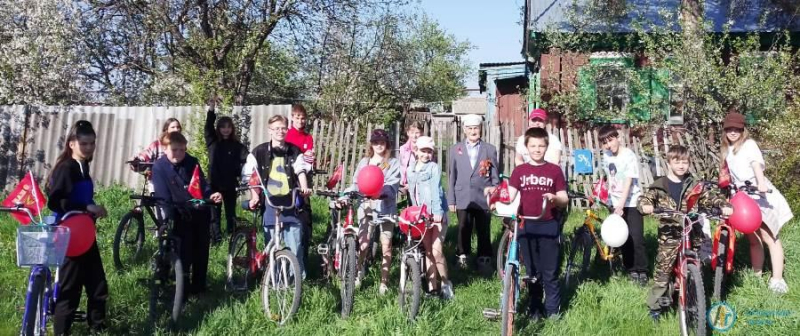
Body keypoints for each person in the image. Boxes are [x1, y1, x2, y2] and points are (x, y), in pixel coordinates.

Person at [638, 145, 733, 320]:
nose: (681, 165)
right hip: (670, 233)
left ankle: (695, 299)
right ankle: (656, 307)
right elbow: (646, 198)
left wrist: (723, 204)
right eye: (677, 161)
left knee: (696, 267)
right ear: (669, 162)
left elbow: (710, 196)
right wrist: (646, 205)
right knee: (663, 271)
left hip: (691, 231)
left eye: (685, 162)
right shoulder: (660, 185)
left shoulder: (694, 185)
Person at [490, 127, 568, 320]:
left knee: (549, 271)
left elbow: (564, 198)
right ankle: (534, 308)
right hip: (526, 226)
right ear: (526, 147)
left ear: (546, 147)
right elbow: (511, 196)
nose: (537, 149)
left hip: (548, 225)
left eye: (541, 146)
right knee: (532, 271)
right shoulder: (520, 171)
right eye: (533, 146)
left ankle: (552, 311)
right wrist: (494, 194)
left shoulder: (554, 171)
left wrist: (554, 199)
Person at [46, 120, 109, 335]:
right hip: (68, 237)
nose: (89, 147)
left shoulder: (83, 166)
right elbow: (55, 201)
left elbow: (80, 197)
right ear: (72, 143)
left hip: (84, 234)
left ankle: (97, 329)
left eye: (92, 143)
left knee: (98, 285)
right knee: (69, 291)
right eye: (84, 143)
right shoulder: (66, 168)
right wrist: (86, 206)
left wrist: (91, 211)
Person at [721, 111, 794, 294]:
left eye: (737, 129)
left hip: (758, 196)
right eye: (729, 128)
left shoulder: (749, 145)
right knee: (753, 239)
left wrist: (760, 183)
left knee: (770, 237)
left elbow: (756, 165)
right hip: (742, 198)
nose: (733, 132)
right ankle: (756, 276)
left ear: (742, 129)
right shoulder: (727, 150)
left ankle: (777, 280)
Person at [152, 132, 222, 297]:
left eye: (182, 150)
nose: (178, 154)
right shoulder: (159, 167)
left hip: (198, 212)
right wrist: (167, 219)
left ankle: (199, 288)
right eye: (174, 150)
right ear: (165, 148)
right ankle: (180, 292)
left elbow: (202, 184)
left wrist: (211, 194)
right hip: (177, 214)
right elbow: (163, 197)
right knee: (183, 254)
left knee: (201, 251)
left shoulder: (192, 162)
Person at [241, 115, 312, 277]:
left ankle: (295, 283)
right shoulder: (259, 151)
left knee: (295, 246)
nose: (280, 131)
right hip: (270, 205)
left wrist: (304, 187)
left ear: (287, 130)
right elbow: (250, 175)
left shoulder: (294, 151)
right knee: (273, 245)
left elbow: (300, 170)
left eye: (283, 128)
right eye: (276, 128)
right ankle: (276, 280)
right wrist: (254, 195)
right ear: (270, 131)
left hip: (290, 204)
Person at [338, 129, 401, 294]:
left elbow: (392, 185)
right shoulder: (364, 162)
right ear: (371, 144)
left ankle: (384, 283)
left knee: (386, 244)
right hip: (366, 207)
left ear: (387, 144)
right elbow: (356, 183)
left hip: (386, 208)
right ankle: (358, 272)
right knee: (364, 244)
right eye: (375, 142)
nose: (379, 145)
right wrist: (345, 195)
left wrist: (382, 193)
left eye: (382, 142)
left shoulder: (393, 163)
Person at [447, 114, 499, 273]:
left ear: (480, 129)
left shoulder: (489, 149)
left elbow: (496, 174)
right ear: (464, 130)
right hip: (462, 195)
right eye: (469, 128)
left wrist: (495, 195)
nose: (473, 131)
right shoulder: (455, 149)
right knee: (464, 227)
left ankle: (484, 258)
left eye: (475, 128)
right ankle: (463, 255)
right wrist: (451, 200)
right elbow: (451, 176)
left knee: (484, 228)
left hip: (483, 196)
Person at [598, 124, 647, 286]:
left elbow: (628, 181)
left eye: (610, 140)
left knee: (636, 237)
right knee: (622, 238)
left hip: (631, 202)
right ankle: (631, 269)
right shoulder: (606, 156)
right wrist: (604, 191)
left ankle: (642, 270)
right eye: (604, 142)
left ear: (618, 138)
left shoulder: (628, 155)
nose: (608, 145)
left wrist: (621, 204)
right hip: (615, 202)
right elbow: (610, 177)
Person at [407, 136, 453, 299]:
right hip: (421, 215)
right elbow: (412, 194)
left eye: (429, 152)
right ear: (416, 151)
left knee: (436, 250)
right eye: (423, 151)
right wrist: (414, 213)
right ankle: (433, 288)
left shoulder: (433, 167)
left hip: (437, 213)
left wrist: (438, 212)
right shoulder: (411, 169)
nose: (426, 155)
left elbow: (436, 189)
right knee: (427, 251)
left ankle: (446, 284)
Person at [204, 98, 248, 244]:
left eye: (228, 127)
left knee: (230, 214)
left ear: (232, 129)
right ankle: (215, 240)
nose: (226, 129)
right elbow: (208, 127)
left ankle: (232, 238)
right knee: (214, 214)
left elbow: (247, 161)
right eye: (223, 127)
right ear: (219, 128)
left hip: (230, 185)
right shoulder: (213, 142)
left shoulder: (237, 146)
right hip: (214, 184)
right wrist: (211, 109)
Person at [284, 103, 316, 270]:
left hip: (304, 182)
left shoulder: (308, 138)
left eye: (303, 118)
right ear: (292, 118)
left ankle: (304, 256)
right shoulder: (287, 135)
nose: (301, 121)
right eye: (297, 118)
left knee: (305, 217)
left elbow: (309, 161)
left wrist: (309, 156)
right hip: (288, 182)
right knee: (288, 215)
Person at [399, 121, 424, 193]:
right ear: (408, 133)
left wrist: (413, 184)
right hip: (404, 186)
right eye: (412, 132)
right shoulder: (403, 149)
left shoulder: (425, 149)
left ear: (421, 133)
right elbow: (402, 167)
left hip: (420, 185)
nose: (414, 135)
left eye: (417, 133)